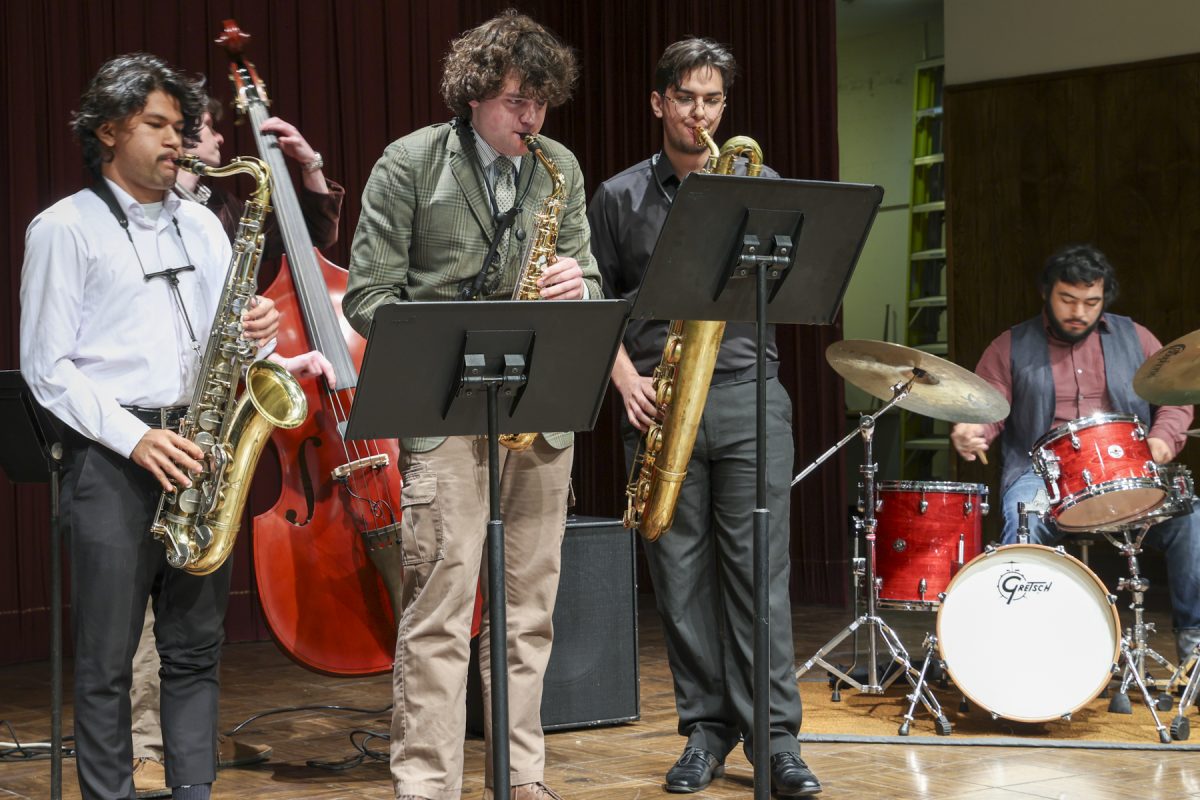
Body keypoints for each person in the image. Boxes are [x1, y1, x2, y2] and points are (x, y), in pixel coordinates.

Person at [19, 53, 328, 800]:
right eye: (156, 124)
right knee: (107, 664)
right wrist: (135, 436)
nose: (176, 139)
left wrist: (260, 330)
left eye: (180, 126)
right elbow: (45, 366)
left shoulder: (202, 224)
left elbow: (230, 341)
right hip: (115, 459)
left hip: (202, 449)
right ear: (107, 130)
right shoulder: (63, 228)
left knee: (195, 652)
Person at [343, 11, 600, 800]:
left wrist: (578, 284)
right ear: (475, 93)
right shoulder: (410, 163)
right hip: (446, 415)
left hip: (539, 414)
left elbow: (588, 270)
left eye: (541, 104)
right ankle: (427, 785)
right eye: (517, 101)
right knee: (441, 613)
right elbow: (367, 297)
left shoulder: (559, 166)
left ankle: (522, 780)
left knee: (529, 616)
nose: (531, 120)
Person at [587, 38, 820, 798]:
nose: (700, 114)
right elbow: (593, 306)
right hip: (657, 400)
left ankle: (777, 741)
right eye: (686, 98)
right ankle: (706, 732)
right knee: (680, 581)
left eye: (713, 100)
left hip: (750, 392)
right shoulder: (619, 197)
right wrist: (623, 380)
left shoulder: (763, 187)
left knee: (760, 575)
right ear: (658, 102)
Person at [128, 97, 343, 798]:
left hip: (212, 417)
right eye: (212, 131)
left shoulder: (221, 215)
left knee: (194, 582)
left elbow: (305, 257)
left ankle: (192, 735)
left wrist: (306, 172)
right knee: (148, 591)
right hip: (153, 423)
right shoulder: (147, 219)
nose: (222, 142)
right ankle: (144, 745)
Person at [951, 243, 1200, 662]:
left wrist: (1163, 438)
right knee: (1022, 517)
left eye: (1091, 302)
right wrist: (972, 431)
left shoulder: (1136, 337)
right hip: (1045, 471)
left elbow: (1174, 398)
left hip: (1126, 466)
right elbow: (987, 406)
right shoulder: (1010, 344)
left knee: (1191, 520)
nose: (1079, 312)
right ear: (1047, 293)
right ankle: (1020, 644)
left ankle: (1194, 645)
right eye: (1067, 299)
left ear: (1104, 298)